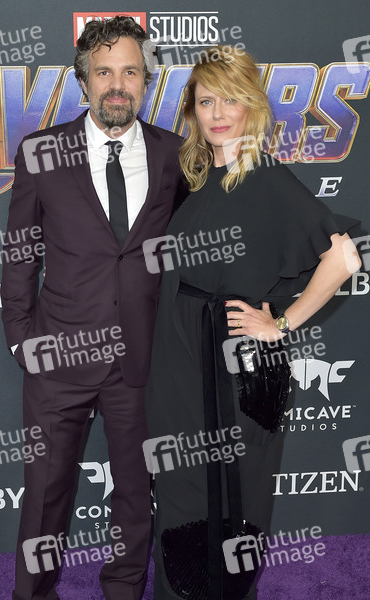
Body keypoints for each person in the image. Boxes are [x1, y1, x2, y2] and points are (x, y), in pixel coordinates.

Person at [144, 46, 360, 600]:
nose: (217, 113)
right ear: (192, 110)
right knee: (184, 494)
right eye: (205, 101)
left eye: (230, 100)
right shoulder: (197, 179)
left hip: (237, 368)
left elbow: (344, 259)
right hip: (182, 360)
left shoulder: (265, 178)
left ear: (252, 108)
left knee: (235, 496)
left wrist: (281, 325)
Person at [1, 16, 186, 600]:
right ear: (83, 82)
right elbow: (20, 253)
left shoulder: (175, 154)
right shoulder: (40, 152)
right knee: (45, 494)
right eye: (104, 72)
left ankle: (124, 589)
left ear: (145, 81)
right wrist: (22, 338)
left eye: (130, 72)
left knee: (136, 494)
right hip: (58, 355)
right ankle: (33, 593)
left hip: (143, 360)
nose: (117, 85)